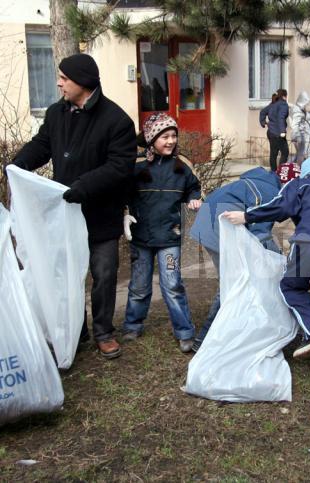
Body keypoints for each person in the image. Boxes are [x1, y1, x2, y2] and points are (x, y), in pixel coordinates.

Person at [12, 53, 136, 359]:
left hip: (100, 214)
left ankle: (104, 332)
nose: (59, 83)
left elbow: (119, 166)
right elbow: (42, 145)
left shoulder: (117, 120)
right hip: (64, 214)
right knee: (66, 274)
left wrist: (82, 186)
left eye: (64, 78)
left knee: (104, 274)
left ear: (82, 81)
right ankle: (74, 328)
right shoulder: (56, 114)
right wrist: (18, 165)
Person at [223, 157, 310, 358]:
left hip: (309, 241)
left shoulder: (299, 184)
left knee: (291, 286)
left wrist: (247, 216)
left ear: (305, 172)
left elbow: (280, 206)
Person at [188, 162, 301, 352]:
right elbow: (260, 235)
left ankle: (237, 324)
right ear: (288, 184)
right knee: (233, 282)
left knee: (238, 278)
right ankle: (204, 339)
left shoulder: (263, 181)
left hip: (207, 223)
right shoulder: (271, 194)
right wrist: (280, 260)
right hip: (218, 229)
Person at [121, 113, 201, 353]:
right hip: (141, 238)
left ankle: (185, 332)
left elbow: (195, 187)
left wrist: (195, 199)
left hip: (169, 238)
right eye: (164, 136)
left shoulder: (182, 164)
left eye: (173, 136)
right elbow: (121, 191)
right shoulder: (135, 165)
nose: (170, 141)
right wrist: (124, 213)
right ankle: (133, 324)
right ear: (151, 138)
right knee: (139, 285)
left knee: (172, 283)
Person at [259, 88, 290, 171]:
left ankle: (273, 173)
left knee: (273, 153)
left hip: (271, 132)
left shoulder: (273, 104)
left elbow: (262, 112)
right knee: (285, 152)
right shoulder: (283, 105)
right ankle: (280, 172)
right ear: (284, 96)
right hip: (278, 133)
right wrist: (282, 131)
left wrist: (263, 122)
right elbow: (281, 117)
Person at [290, 91, 310, 164]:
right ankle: (299, 168)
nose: (307, 105)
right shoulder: (297, 111)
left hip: (301, 135)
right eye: (306, 103)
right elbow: (295, 125)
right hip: (299, 135)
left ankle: (298, 167)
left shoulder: (300, 110)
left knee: (300, 154)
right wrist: (297, 137)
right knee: (301, 154)